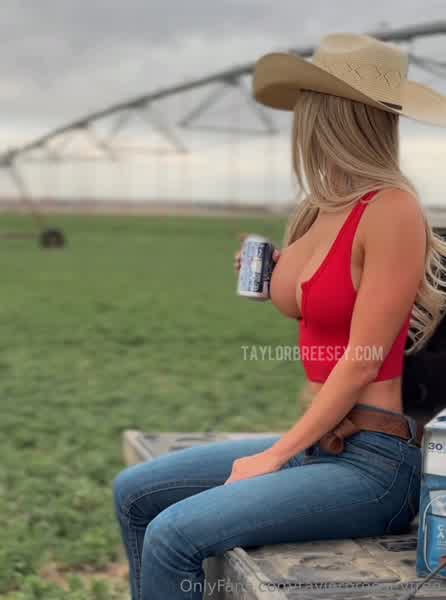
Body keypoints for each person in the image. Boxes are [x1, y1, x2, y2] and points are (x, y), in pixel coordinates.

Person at [113, 33, 446, 600]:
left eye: (306, 103)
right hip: (321, 444)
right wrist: (274, 278)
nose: (298, 120)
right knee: (134, 493)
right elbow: (325, 307)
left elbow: (362, 360)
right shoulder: (320, 209)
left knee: (173, 536)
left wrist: (275, 454)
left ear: (329, 115)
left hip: (372, 465)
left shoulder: (392, 209)